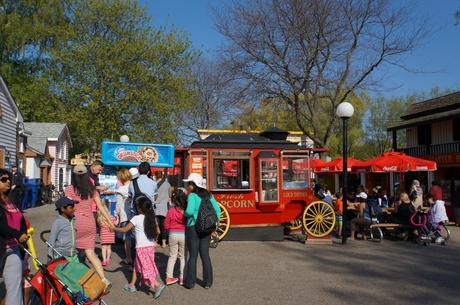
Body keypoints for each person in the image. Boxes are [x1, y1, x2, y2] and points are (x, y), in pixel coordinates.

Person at [64, 164, 113, 291]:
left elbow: (66, 207)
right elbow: (100, 207)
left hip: (75, 223)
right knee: (90, 254)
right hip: (90, 222)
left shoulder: (70, 189)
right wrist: (110, 222)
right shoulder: (92, 189)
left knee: (73, 253)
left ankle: (75, 281)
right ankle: (104, 279)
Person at [113, 196, 166, 299]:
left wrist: (113, 228)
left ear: (139, 208)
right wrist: (154, 240)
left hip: (141, 248)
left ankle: (157, 285)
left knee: (146, 268)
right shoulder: (152, 217)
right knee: (137, 266)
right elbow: (158, 231)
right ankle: (132, 285)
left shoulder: (136, 218)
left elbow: (124, 230)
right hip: (150, 247)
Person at [183, 173, 221, 289]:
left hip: (193, 227)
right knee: (205, 255)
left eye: (189, 183)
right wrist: (213, 224)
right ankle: (208, 282)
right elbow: (218, 210)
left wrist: (183, 213)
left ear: (193, 184)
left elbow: (189, 212)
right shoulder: (209, 195)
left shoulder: (192, 196)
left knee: (193, 256)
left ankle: (190, 283)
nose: (188, 185)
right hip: (206, 228)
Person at [0, 168, 29, 305]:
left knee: (14, 289)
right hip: (2, 248)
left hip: (13, 250)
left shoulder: (11, 201)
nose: (8, 182)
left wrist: (23, 236)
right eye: (3, 180)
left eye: (8, 179)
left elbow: (21, 220)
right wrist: (17, 234)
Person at [164, 189, 187, 286]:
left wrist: (169, 229)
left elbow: (166, 224)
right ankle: (182, 277)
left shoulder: (171, 210)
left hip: (173, 234)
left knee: (172, 256)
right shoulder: (186, 211)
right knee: (182, 257)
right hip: (184, 234)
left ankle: (169, 277)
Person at [115, 168, 133, 264]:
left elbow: (118, 206)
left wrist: (116, 217)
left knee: (127, 238)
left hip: (125, 216)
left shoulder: (120, 190)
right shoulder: (134, 187)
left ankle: (129, 257)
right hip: (135, 215)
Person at [98, 199, 119, 267]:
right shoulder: (111, 217)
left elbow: (99, 225)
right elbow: (116, 223)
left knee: (104, 248)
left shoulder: (100, 218)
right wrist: (118, 217)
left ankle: (104, 260)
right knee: (109, 247)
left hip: (104, 235)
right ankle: (108, 259)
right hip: (110, 234)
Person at [154, 171, 170, 248]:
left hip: (156, 207)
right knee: (164, 226)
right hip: (164, 208)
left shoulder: (154, 184)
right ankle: (164, 243)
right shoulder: (167, 184)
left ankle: (155, 241)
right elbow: (170, 195)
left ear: (156, 176)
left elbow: (153, 196)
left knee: (156, 225)